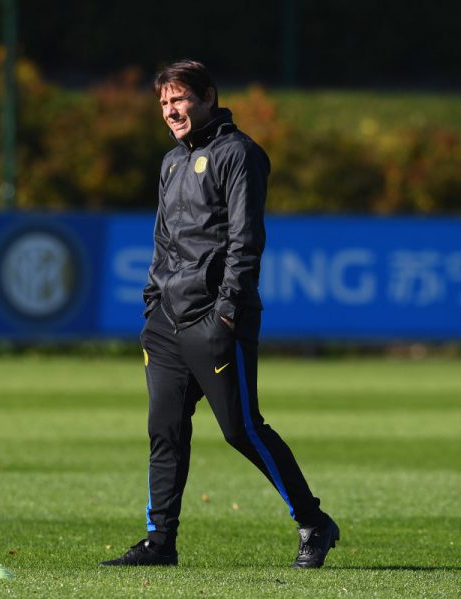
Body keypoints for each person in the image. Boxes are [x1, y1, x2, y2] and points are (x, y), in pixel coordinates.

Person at [99, 60, 339, 569]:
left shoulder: (239, 153)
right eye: (164, 102)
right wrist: (152, 301)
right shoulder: (171, 162)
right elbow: (163, 241)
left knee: (241, 429)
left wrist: (227, 310)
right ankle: (159, 541)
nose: (171, 111)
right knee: (165, 431)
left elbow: (245, 239)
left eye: (179, 99)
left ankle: (313, 522)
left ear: (208, 97)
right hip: (166, 322)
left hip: (215, 318)